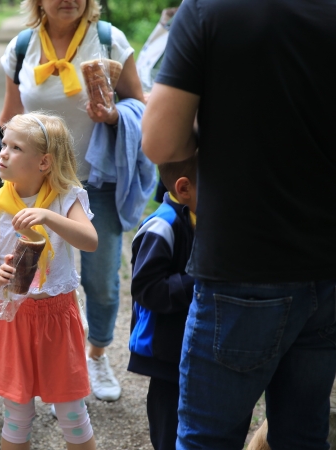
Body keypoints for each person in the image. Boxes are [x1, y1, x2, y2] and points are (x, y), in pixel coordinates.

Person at [141, 0, 336, 448]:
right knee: (302, 436)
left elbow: (160, 141)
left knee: (207, 439)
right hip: (327, 275)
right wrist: (324, 146)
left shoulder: (208, 12)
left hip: (238, 270)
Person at [0, 0, 144, 402]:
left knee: (101, 279)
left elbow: (142, 105)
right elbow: (11, 116)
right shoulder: (22, 46)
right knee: (35, 279)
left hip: (97, 179)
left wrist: (114, 116)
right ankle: (47, 367)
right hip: (37, 183)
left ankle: (95, 354)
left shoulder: (108, 40)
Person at [0, 112, 98, 450]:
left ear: (44, 162)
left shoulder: (66, 198)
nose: (3, 152)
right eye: (4, 145)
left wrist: (49, 216)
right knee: (17, 416)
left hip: (57, 317)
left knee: (72, 412)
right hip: (13, 320)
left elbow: (90, 240)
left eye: (15, 147)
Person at [128, 154, 197, 450]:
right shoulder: (162, 226)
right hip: (166, 352)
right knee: (169, 429)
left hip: (195, 346)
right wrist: (200, 280)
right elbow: (146, 287)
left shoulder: (204, 217)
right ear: (184, 189)